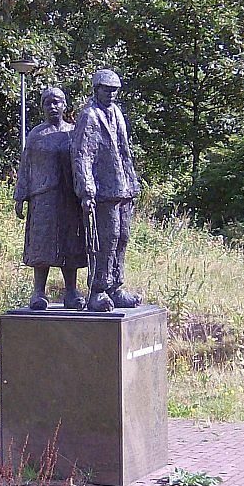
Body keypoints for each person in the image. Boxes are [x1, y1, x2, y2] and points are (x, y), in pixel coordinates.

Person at [71, 68, 142, 312]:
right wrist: (86, 190)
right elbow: (82, 155)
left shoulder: (117, 113)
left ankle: (116, 286)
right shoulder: (89, 116)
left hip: (123, 188)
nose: (111, 94)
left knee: (122, 237)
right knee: (105, 240)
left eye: (115, 90)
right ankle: (98, 289)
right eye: (107, 89)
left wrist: (132, 183)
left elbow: (124, 151)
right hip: (103, 191)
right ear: (96, 89)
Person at [14, 87, 87, 311]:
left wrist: (87, 193)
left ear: (65, 105)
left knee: (70, 242)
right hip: (42, 197)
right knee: (42, 244)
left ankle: (71, 292)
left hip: (69, 197)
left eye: (57, 102)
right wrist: (20, 196)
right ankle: (38, 292)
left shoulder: (73, 133)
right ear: (42, 107)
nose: (53, 107)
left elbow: (84, 163)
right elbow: (25, 166)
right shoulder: (36, 135)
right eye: (48, 103)